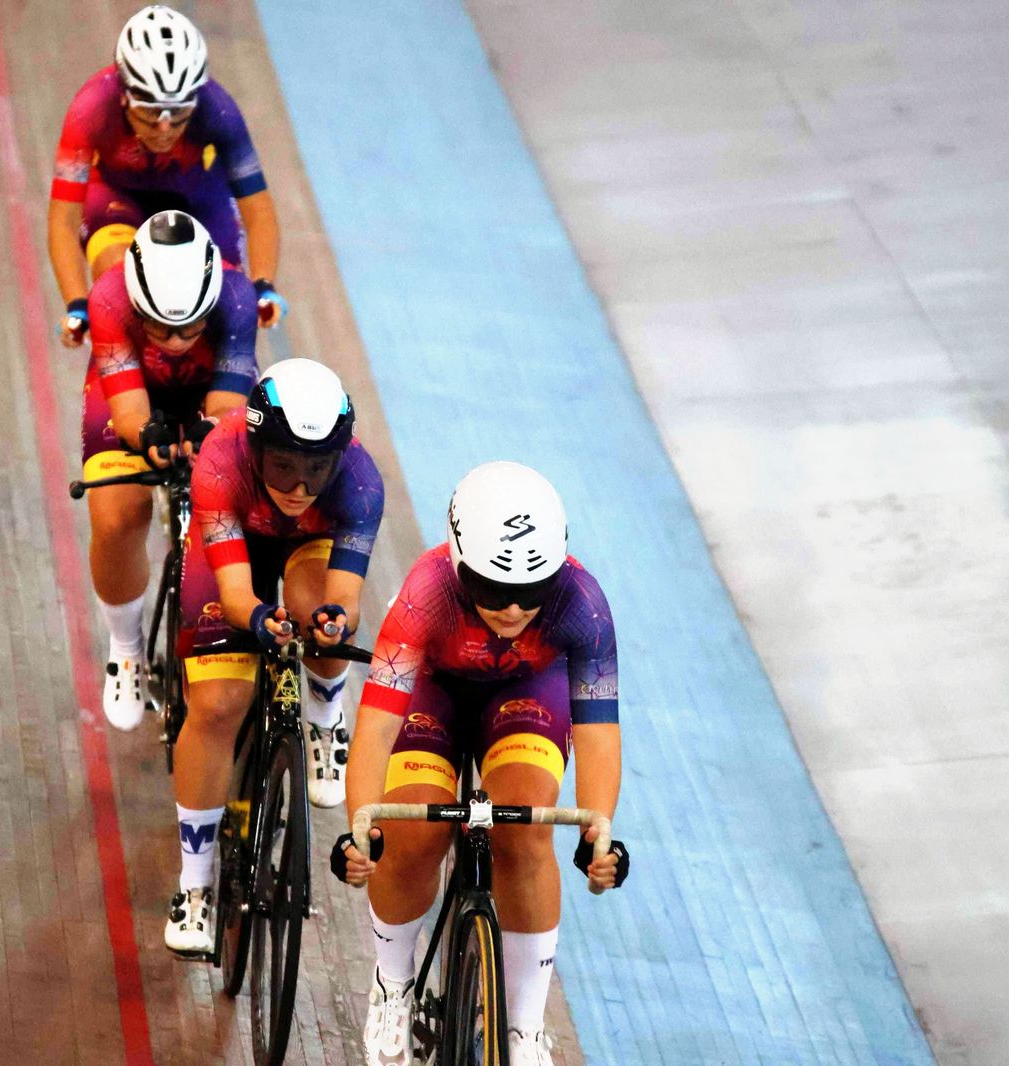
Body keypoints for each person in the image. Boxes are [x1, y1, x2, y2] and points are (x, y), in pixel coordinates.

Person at [332, 462, 626, 1066]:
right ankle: (393, 983)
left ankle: (523, 1024)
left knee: (526, 828)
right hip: (432, 692)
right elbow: (376, 727)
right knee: (412, 832)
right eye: (493, 591)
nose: (513, 610)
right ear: (460, 564)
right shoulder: (425, 593)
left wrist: (600, 832)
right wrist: (363, 828)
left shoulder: (583, 603)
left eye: (531, 592)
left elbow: (598, 734)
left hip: (525, 697)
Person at [163, 359, 385, 957]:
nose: (299, 486)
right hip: (231, 537)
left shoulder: (361, 482)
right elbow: (236, 594)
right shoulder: (220, 460)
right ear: (256, 448)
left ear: (339, 459)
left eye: (317, 470)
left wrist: (333, 622)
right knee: (218, 702)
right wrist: (259, 617)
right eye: (283, 466)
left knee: (323, 624)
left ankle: (325, 714)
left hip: (307, 544)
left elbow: (346, 597)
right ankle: (195, 885)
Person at [81, 209, 260, 729]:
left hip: (209, 396)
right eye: (162, 327)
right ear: (138, 304)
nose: (178, 340)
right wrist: (151, 439)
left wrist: (207, 438)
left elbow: (228, 403)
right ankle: (126, 647)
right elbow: (130, 410)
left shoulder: (237, 296)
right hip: (134, 393)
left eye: (191, 326)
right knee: (118, 514)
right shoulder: (110, 298)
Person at [48, 4, 285, 351]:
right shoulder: (91, 108)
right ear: (125, 97)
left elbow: (258, 210)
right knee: (117, 277)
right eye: (150, 110)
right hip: (117, 197)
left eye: (178, 113)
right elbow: (63, 220)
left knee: (221, 305)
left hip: (198, 200)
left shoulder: (218, 109)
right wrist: (77, 303)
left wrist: (263, 284)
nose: (164, 126)